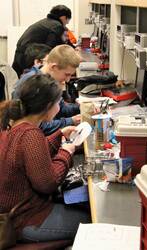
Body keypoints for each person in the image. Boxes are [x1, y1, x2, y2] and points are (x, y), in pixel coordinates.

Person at [0, 74, 90, 243]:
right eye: (58, 103)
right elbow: (48, 183)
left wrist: (59, 134)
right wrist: (66, 153)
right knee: (89, 221)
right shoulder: (30, 134)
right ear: (49, 106)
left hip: (17, 211)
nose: (59, 106)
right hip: (24, 220)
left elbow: (32, 156)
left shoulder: (16, 125)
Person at [13, 44, 81, 135]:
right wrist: (71, 121)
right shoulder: (35, 84)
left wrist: (82, 108)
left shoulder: (50, 81)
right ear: (54, 67)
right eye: (66, 74)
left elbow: (61, 109)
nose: (68, 80)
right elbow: (41, 126)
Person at [12, 5, 72, 77]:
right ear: (63, 17)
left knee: (20, 82)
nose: (67, 23)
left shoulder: (45, 22)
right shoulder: (57, 26)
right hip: (30, 57)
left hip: (21, 54)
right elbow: (51, 49)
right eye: (68, 19)